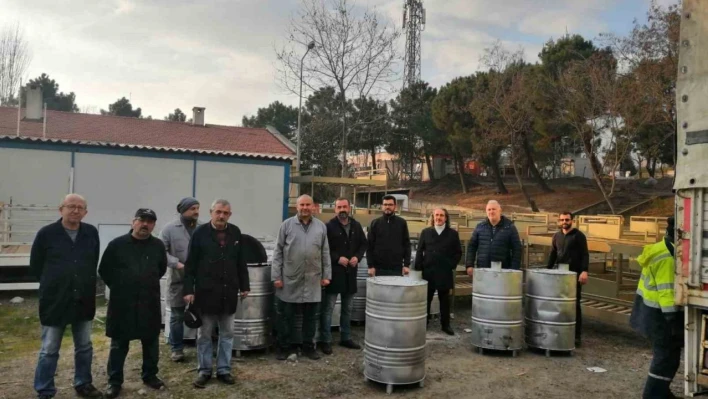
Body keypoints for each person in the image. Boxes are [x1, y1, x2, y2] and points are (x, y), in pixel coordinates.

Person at [30, 194, 103, 399]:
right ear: (61, 209)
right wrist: (55, 283)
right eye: (71, 206)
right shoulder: (47, 234)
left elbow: (93, 261)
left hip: (83, 299)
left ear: (86, 212)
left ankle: (84, 384)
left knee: (84, 346)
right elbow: (36, 266)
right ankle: (44, 390)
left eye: (80, 207)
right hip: (55, 300)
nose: (76, 210)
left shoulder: (90, 233)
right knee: (50, 348)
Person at [99, 209, 167, 399]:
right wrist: (122, 287)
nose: (145, 224)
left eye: (150, 222)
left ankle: (150, 375)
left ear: (153, 225)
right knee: (119, 344)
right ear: (133, 222)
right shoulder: (117, 245)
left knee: (151, 342)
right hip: (123, 303)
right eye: (141, 220)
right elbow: (104, 270)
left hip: (149, 302)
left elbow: (160, 269)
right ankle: (114, 382)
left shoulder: (158, 246)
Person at [183, 199, 250, 389]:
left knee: (227, 334)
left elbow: (240, 262)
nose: (221, 216)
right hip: (205, 294)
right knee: (204, 335)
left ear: (230, 215)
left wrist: (245, 285)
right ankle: (204, 371)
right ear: (211, 212)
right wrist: (188, 290)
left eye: (225, 213)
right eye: (218, 212)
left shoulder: (235, 232)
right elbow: (191, 265)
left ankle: (223, 370)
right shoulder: (200, 234)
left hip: (228, 293)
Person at [272, 194, 331, 361]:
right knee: (286, 316)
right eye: (302, 205)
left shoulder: (320, 227)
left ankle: (308, 347)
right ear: (297, 207)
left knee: (311, 318)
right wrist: (276, 275)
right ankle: (284, 347)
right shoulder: (287, 225)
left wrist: (327, 275)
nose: (305, 208)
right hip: (290, 278)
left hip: (313, 279)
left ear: (313, 207)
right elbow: (277, 252)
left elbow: (325, 252)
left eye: (308, 205)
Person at [630, 217, 682, 399]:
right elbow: (667, 293)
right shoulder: (668, 257)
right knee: (666, 357)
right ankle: (653, 394)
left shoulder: (660, 247)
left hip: (645, 311)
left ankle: (662, 392)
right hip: (659, 317)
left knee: (664, 355)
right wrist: (673, 321)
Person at [318, 198, 367, 354]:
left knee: (348, 308)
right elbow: (323, 248)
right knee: (328, 308)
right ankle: (325, 340)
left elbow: (363, 244)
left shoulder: (356, 225)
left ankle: (345, 337)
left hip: (350, 274)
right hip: (333, 273)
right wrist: (337, 258)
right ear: (335, 209)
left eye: (344, 206)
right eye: (339, 207)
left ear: (349, 208)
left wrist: (357, 257)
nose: (342, 209)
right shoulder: (328, 227)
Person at [159, 197, 202, 362]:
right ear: (182, 210)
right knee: (177, 316)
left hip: (200, 280)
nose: (196, 211)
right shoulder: (169, 229)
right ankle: (177, 348)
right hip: (178, 280)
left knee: (202, 314)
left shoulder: (203, 227)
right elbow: (161, 250)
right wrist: (176, 264)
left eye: (197, 208)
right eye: (192, 208)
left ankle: (202, 345)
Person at [414, 208, 462, 336]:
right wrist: (419, 267)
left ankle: (445, 325)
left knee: (444, 299)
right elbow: (419, 251)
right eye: (437, 215)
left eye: (441, 215)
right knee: (427, 299)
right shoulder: (426, 232)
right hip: (428, 271)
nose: (439, 217)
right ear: (433, 217)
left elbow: (458, 252)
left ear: (446, 218)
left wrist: (451, 265)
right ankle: (424, 323)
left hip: (444, 271)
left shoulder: (452, 234)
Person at [546, 211, 589, 347]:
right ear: (559, 221)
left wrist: (584, 271)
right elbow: (553, 254)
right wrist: (547, 270)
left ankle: (576, 336)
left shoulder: (579, 236)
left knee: (574, 305)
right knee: (559, 304)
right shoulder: (557, 236)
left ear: (572, 221)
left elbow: (585, 254)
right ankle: (560, 332)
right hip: (560, 275)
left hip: (574, 275)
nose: (564, 222)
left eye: (567, 220)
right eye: (562, 220)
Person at [465, 200, 521, 276]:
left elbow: (517, 249)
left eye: (494, 209)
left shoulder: (509, 227)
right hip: (483, 270)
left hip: (503, 271)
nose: (491, 212)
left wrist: (514, 269)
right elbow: (472, 247)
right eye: (489, 209)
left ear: (500, 211)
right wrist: (469, 265)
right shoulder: (480, 227)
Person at [367, 195, 412, 277]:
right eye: (385, 204)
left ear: (395, 206)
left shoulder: (402, 223)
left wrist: (406, 265)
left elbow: (407, 245)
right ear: (382, 206)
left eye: (390, 205)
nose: (387, 207)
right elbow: (369, 246)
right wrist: (370, 266)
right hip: (378, 268)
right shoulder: (375, 223)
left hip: (396, 268)